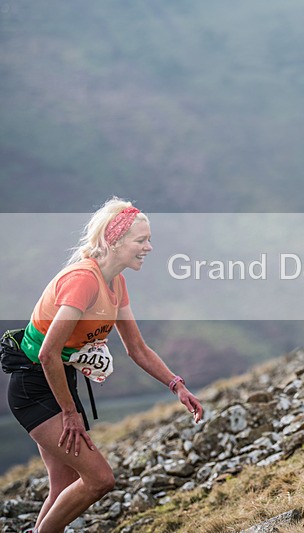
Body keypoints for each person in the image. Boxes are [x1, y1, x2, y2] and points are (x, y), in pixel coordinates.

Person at [4, 198, 204, 533]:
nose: (149, 247)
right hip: (35, 385)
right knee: (99, 479)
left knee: (63, 483)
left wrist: (176, 385)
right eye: (141, 240)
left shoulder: (116, 282)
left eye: (148, 239)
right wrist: (69, 412)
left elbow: (136, 348)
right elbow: (47, 354)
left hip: (59, 381)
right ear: (114, 240)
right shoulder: (83, 280)